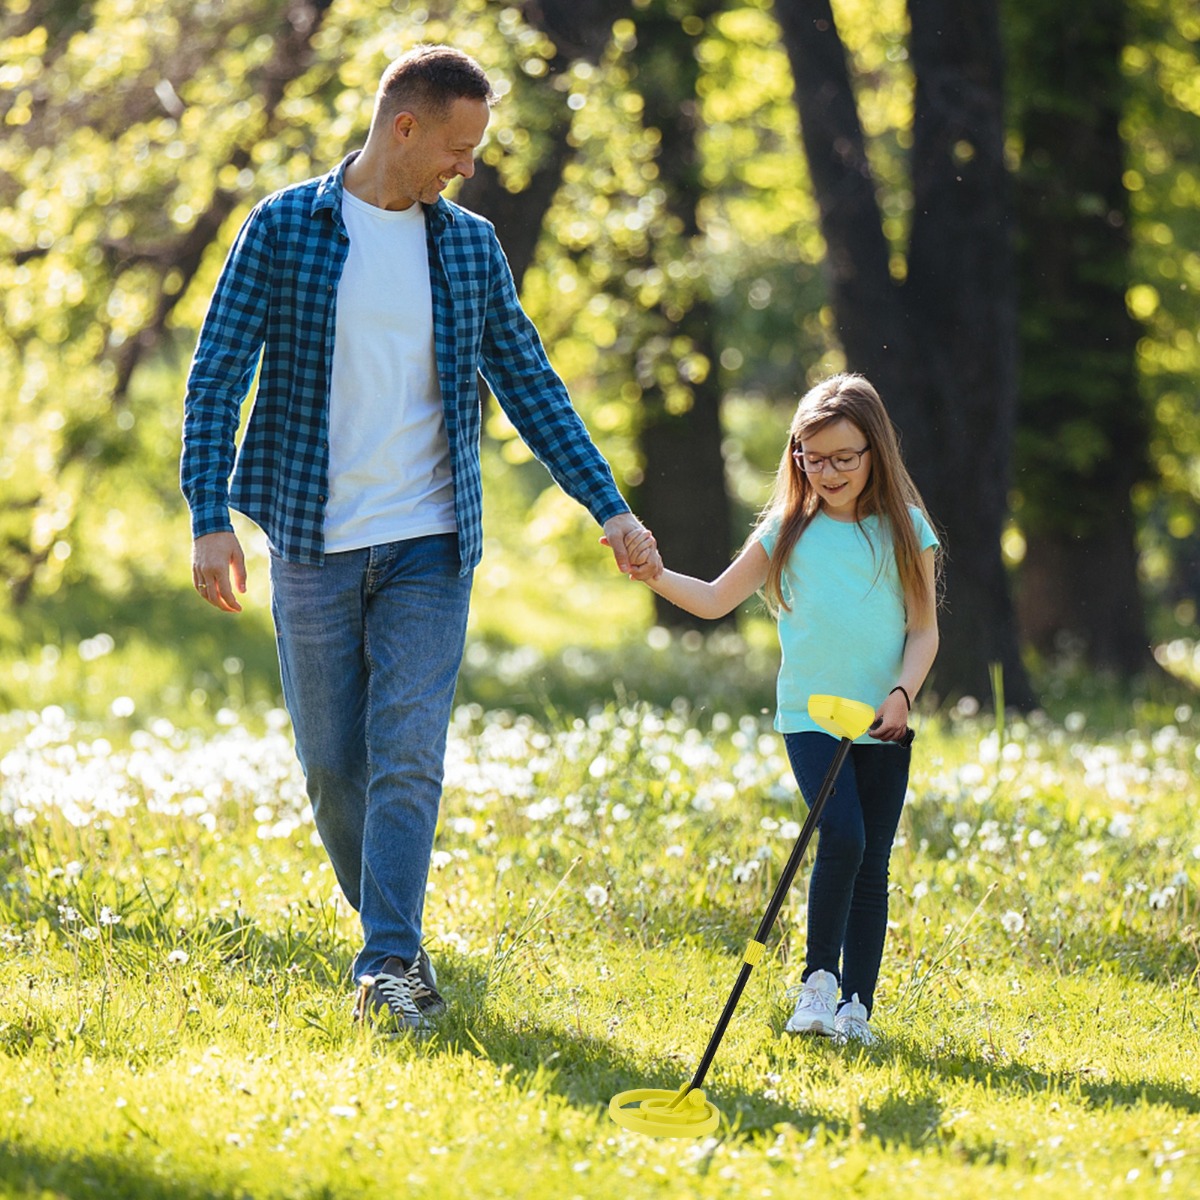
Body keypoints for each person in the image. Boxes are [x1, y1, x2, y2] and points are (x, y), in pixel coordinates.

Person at [180, 44, 660, 1032]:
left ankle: (387, 964)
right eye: (458, 146)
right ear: (405, 127)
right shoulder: (283, 230)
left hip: (431, 545)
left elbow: (528, 380)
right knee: (330, 767)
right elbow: (218, 369)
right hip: (312, 539)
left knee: (407, 754)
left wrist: (607, 504)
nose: (467, 167)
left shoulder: (468, 247)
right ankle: (395, 936)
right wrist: (206, 514)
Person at [624, 373, 939, 1044]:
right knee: (843, 835)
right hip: (811, 716)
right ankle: (816, 986)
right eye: (810, 455)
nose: (825, 471)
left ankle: (857, 1004)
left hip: (885, 718)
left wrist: (903, 693)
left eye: (842, 458)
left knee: (873, 860)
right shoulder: (786, 532)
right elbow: (713, 599)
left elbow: (924, 630)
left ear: (874, 451)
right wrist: (654, 575)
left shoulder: (907, 531)